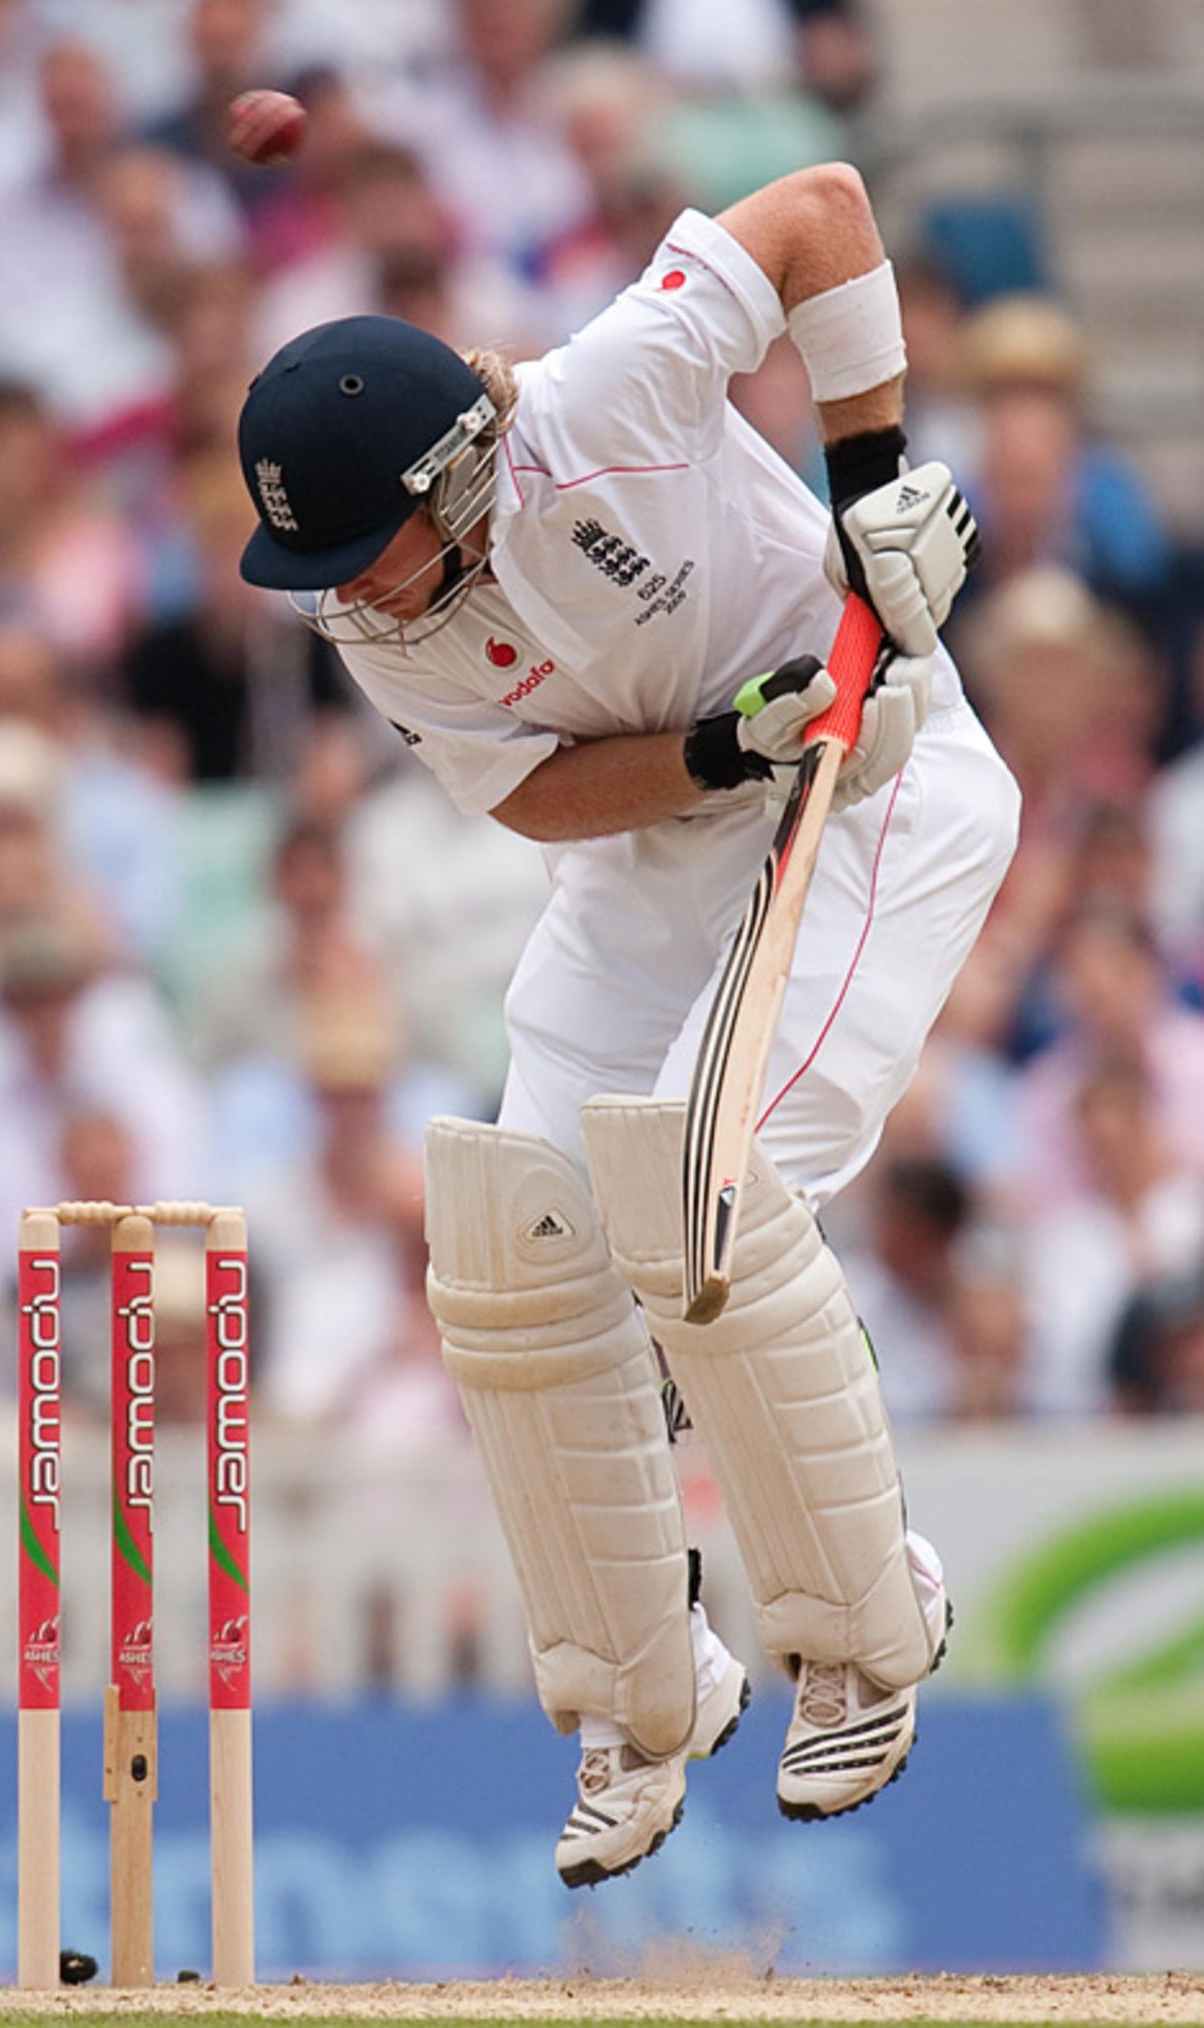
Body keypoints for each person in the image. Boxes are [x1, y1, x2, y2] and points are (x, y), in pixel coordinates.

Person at [235, 159, 1019, 1885]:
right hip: (670, 845)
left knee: (700, 1195)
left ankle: (867, 1632)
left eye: (369, 552)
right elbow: (531, 801)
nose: (353, 595)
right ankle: (641, 1700)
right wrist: (719, 750)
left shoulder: (608, 392)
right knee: (515, 1250)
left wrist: (870, 480)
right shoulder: (383, 629)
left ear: (461, 469)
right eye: (323, 569)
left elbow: (821, 206)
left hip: (878, 800)